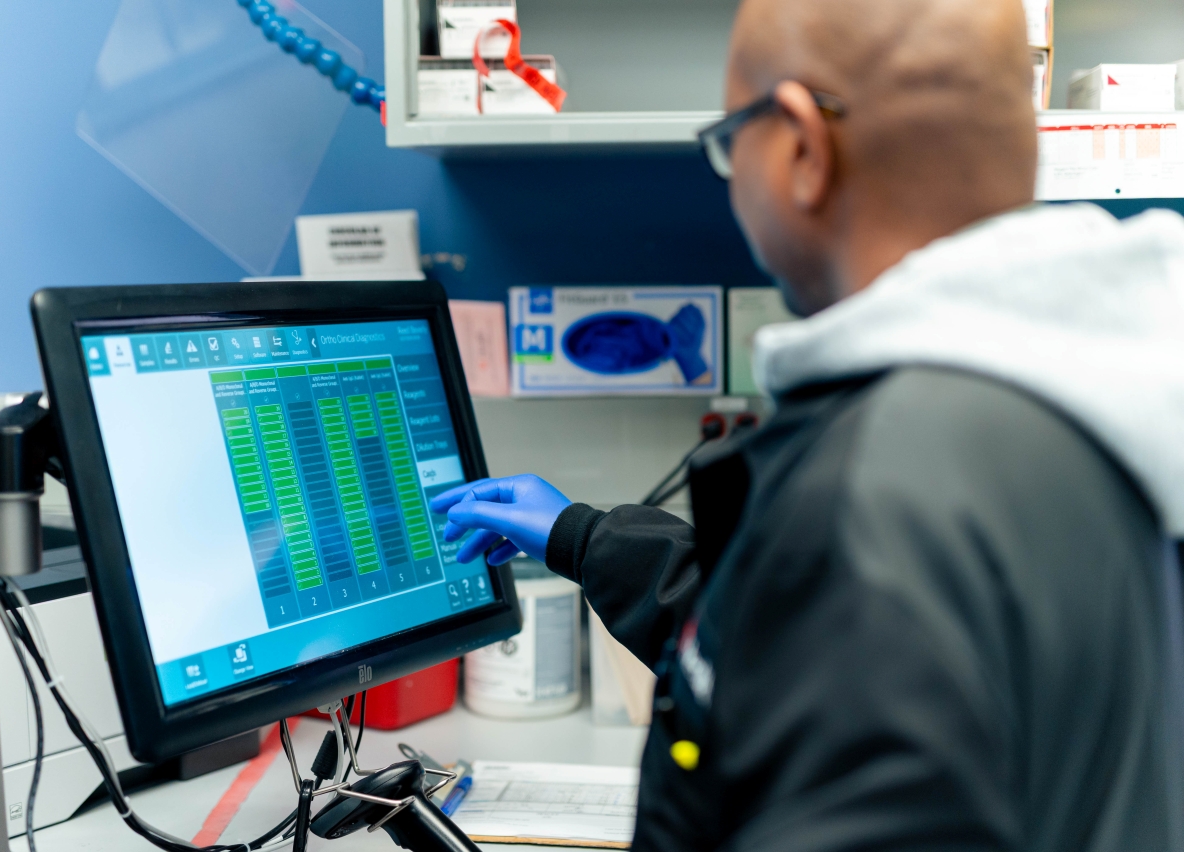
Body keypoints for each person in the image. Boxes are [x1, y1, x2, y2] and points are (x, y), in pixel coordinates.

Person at [432, 0, 1184, 848]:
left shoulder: (880, 488)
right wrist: (584, 538)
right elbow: (794, 642)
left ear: (800, 147)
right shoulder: (1080, 396)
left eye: (729, 141)